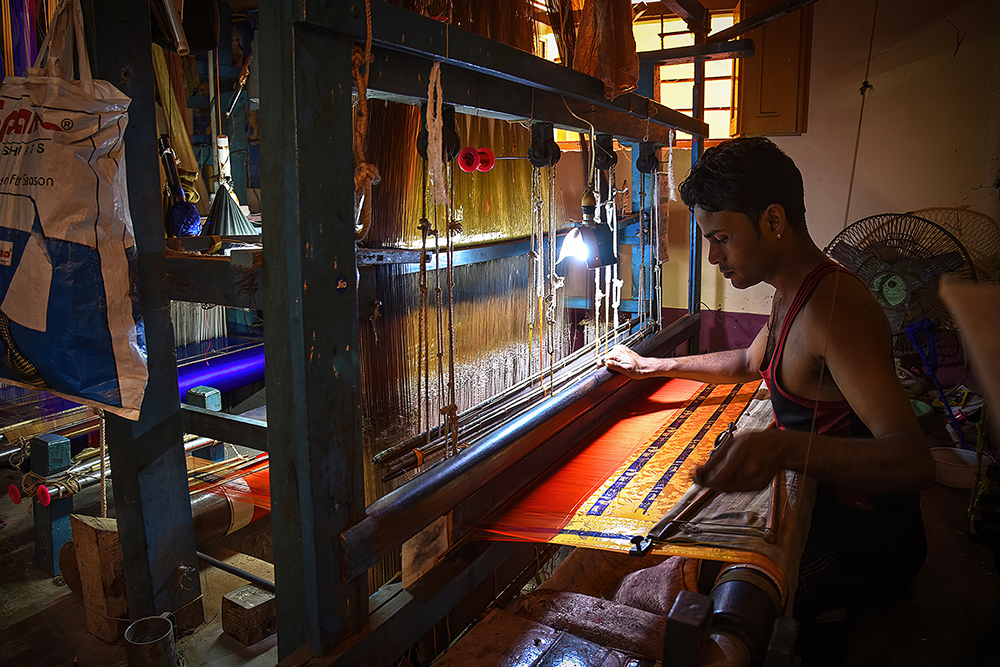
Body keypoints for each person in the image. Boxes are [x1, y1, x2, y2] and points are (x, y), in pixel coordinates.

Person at [601, 137, 935, 633]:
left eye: (721, 239)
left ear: (774, 222)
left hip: (863, 542)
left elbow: (913, 459)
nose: (713, 257)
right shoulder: (792, 291)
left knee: (707, 611)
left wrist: (784, 450)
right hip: (821, 511)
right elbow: (745, 360)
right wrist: (654, 367)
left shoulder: (833, 309)